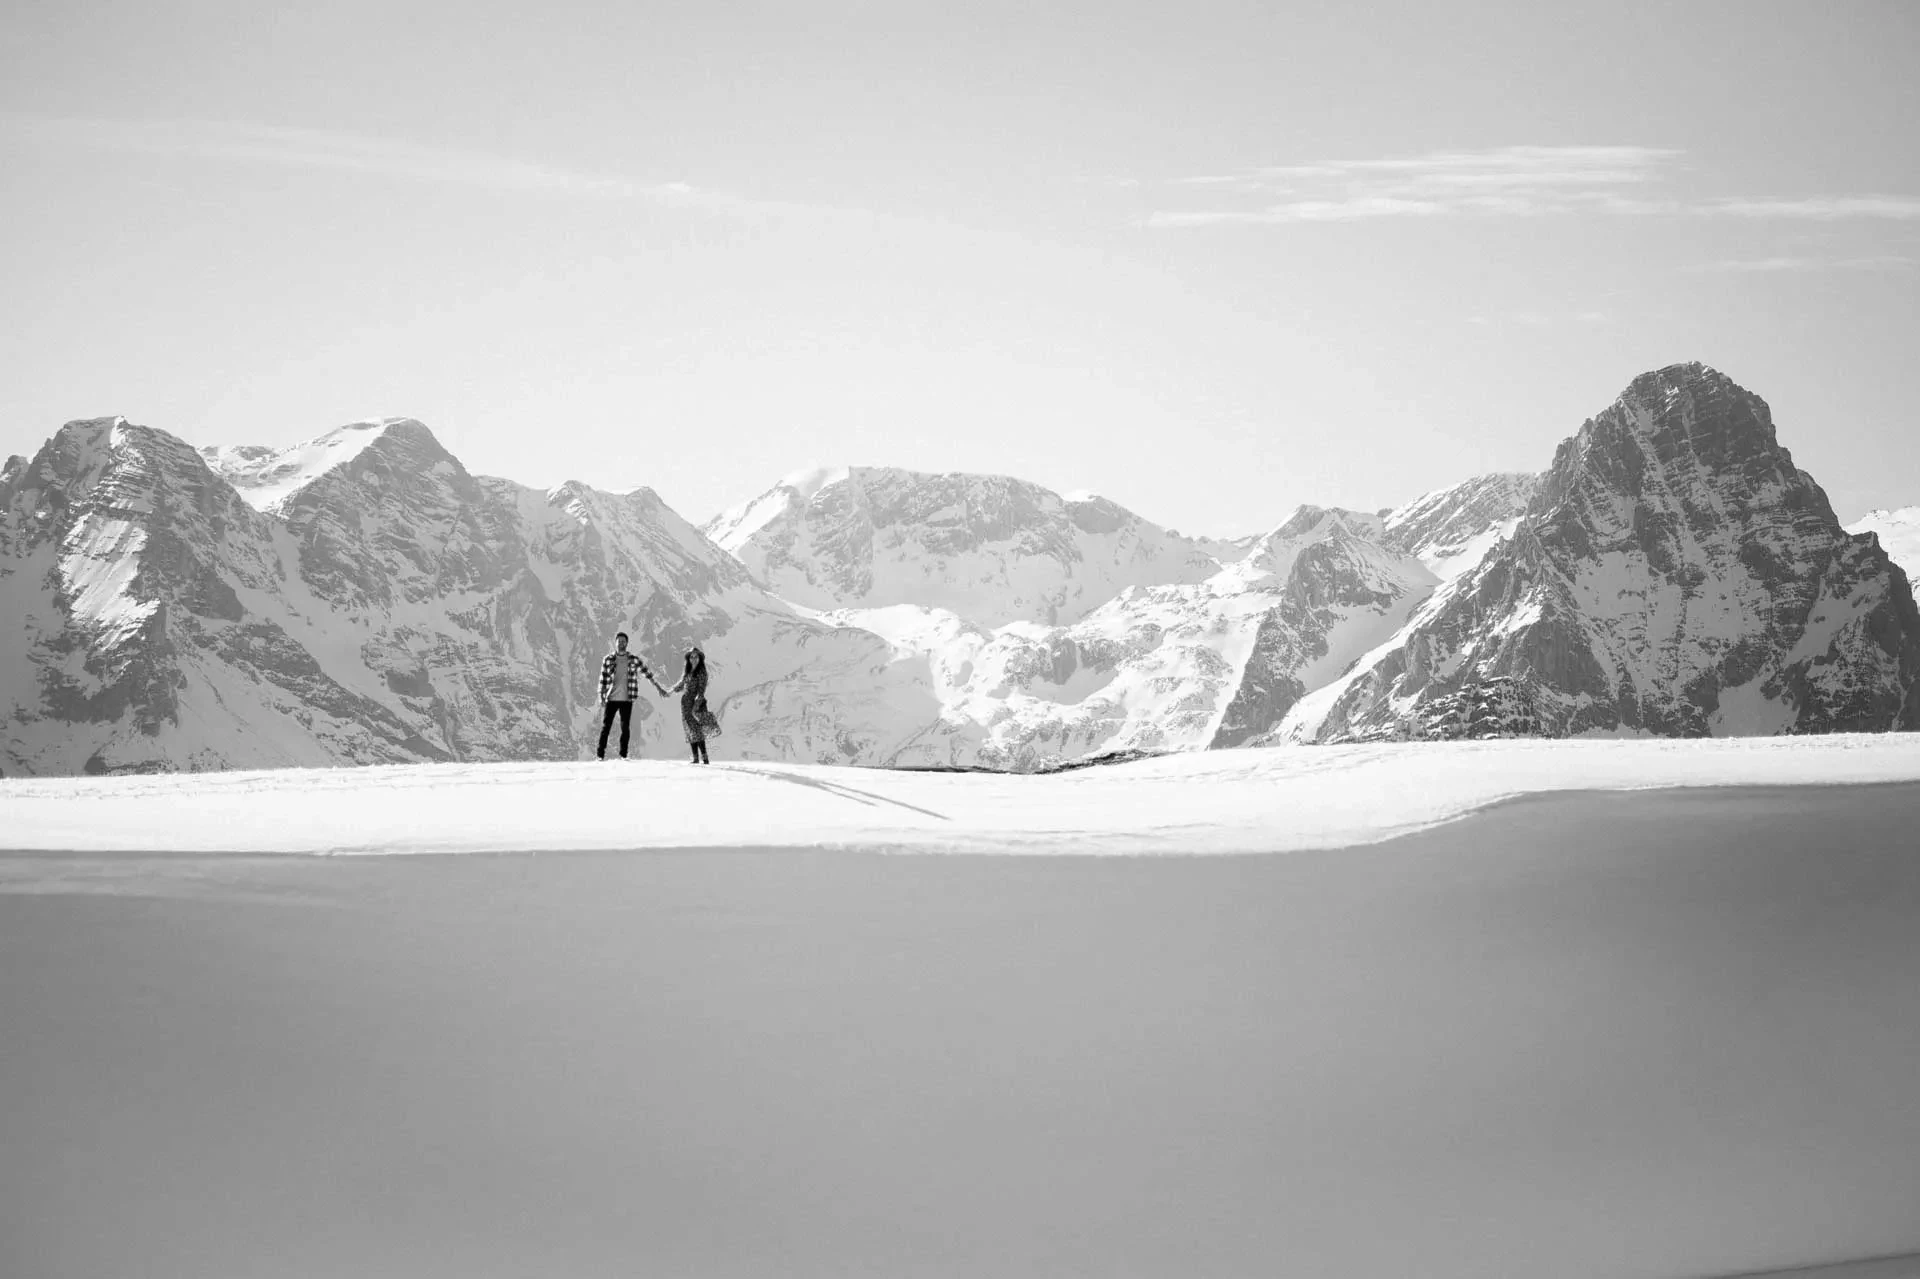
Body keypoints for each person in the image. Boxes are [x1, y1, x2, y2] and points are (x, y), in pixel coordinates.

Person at [596, 631, 659, 760]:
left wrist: (657, 686)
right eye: (619, 641)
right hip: (611, 698)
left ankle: (623, 755)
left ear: (627, 643)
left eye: (623, 641)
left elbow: (646, 672)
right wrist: (600, 696)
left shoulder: (633, 659)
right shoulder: (608, 659)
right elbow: (603, 678)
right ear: (615, 643)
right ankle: (600, 755)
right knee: (605, 727)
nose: (621, 643)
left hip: (627, 698)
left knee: (625, 728)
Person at [663, 646, 720, 764]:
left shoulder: (702, 672)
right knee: (690, 730)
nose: (693, 659)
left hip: (696, 703)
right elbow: (681, 684)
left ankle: (704, 758)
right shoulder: (687, 672)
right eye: (692, 657)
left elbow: (701, 690)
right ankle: (695, 758)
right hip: (685, 704)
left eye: (696, 656)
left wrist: (696, 704)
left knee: (697, 731)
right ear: (689, 659)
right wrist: (670, 691)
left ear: (699, 658)